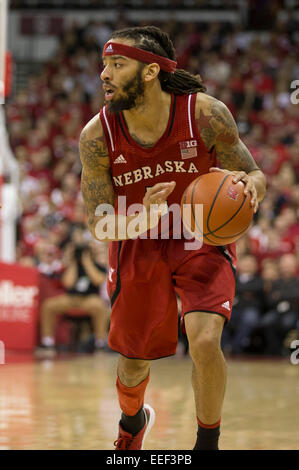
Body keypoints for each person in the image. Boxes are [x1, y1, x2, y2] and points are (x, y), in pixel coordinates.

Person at [79, 26, 266, 450]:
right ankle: (132, 423)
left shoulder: (205, 114)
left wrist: (251, 186)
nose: (104, 74)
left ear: (149, 72)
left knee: (203, 338)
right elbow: (98, 223)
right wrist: (141, 218)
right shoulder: (96, 136)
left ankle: (207, 442)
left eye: (116, 64)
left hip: (200, 236)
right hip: (137, 241)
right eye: (104, 64)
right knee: (132, 365)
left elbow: (254, 172)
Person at [36, 225, 109, 357]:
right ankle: (48, 342)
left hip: (89, 299)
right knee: (48, 305)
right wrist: (75, 262)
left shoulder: (97, 264)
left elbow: (98, 280)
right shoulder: (72, 264)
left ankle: (100, 343)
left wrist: (87, 261)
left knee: (100, 306)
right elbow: (68, 283)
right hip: (71, 298)